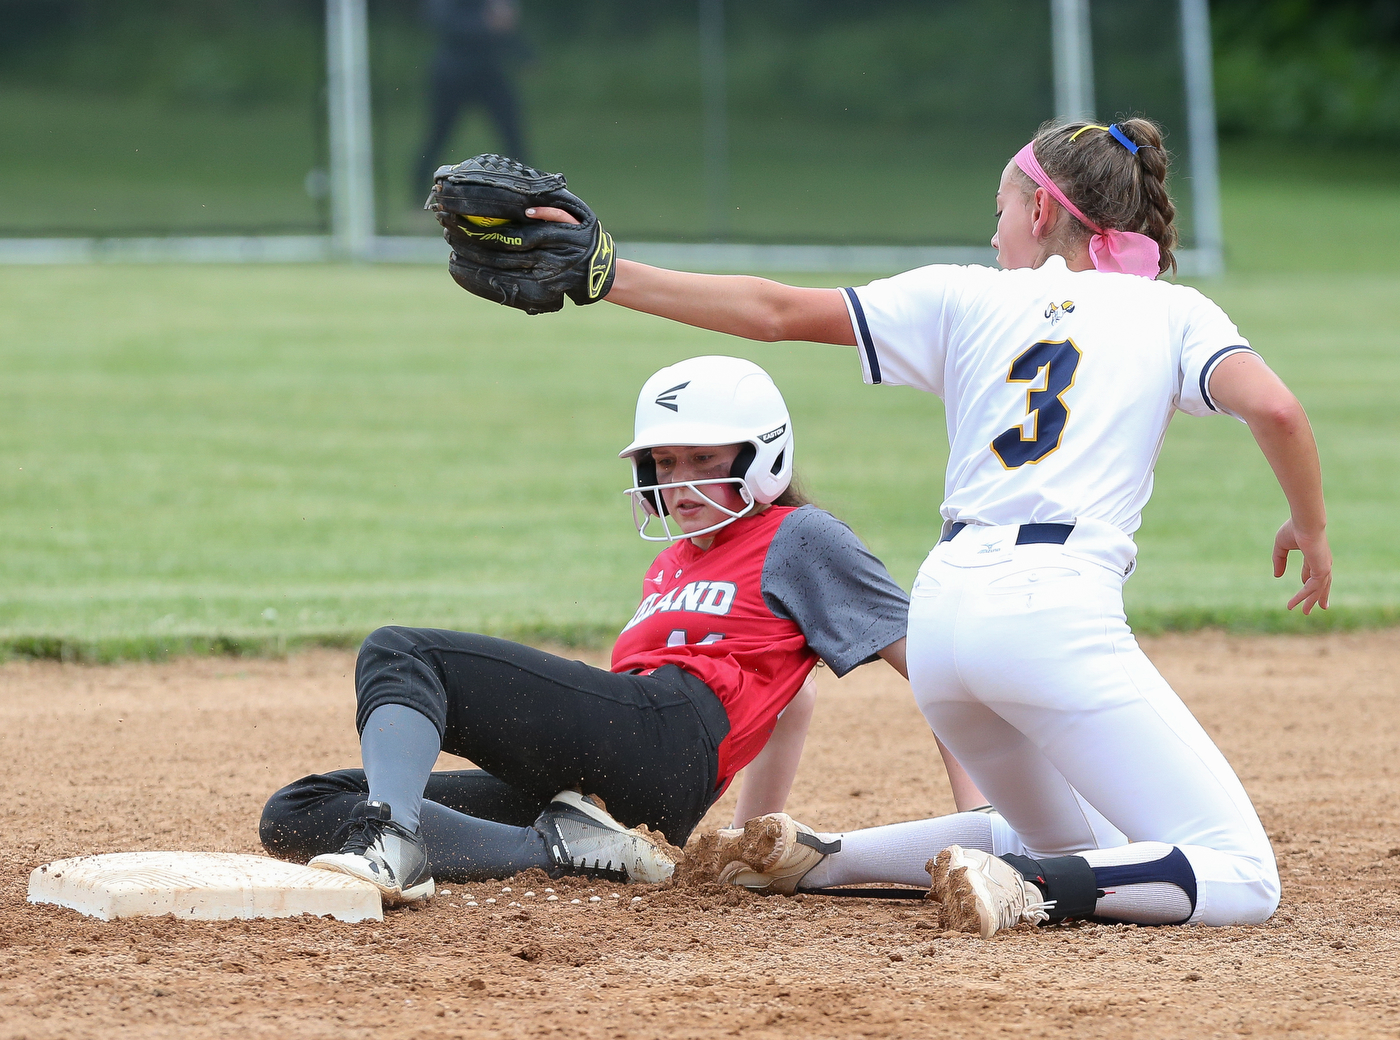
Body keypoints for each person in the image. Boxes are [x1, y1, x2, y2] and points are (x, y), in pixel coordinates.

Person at [522, 117, 1330, 934]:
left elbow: (770, 310)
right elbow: (1278, 408)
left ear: (1043, 214)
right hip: (1054, 617)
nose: (995, 230)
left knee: (1077, 839)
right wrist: (1311, 528)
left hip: (942, 624)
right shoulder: (1171, 311)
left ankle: (821, 853)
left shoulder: (962, 295)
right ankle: (1030, 889)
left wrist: (606, 271)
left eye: (1002, 209)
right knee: (1243, 876)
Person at [261, 355, 983, 902]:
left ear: (763, 456)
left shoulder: (800, 535)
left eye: (706, 460)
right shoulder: (673, 561)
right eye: (666, 464)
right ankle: (559, 849)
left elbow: (936, 672)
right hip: (625, 778)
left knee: (400, 652)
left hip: (667, 733)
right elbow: (789, 698)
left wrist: (983, 826)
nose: (682, 482)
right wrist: (741, 839)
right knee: (301, 809)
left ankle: (394, 840)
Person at [415, 0, 530, 191]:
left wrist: (524, 53)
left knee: (513, 134)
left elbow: (506, 20)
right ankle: (417, 195)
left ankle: (531, 193)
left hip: (489, 68)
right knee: (438, 135)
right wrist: (483, 25)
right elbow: (439, 17)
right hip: (454, 68)